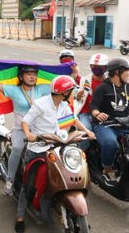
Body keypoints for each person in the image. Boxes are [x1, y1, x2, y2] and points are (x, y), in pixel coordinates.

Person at [15, 75, 94, 233]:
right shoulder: (41, 104)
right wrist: (28, 134)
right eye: (71, 90)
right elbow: (25, 122)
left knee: (70, 172)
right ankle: (20, 216)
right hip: (38, 148)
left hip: (58, 147)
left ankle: (69, 207)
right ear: (64, 92)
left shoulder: (64, 106)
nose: (72, 93)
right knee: (29, 183)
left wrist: (86, 131)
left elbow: (73, 120)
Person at [0, 62, 51, 196]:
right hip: (20, 130)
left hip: (40, 129)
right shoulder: (14, 90)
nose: (32, 77)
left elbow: (60, 88)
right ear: (21, 76)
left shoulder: (42, 89)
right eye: (29, 74)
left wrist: (73, 73)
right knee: (17, 149)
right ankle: (10, 179)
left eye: (34, 74)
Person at [90, 57, 129, 185]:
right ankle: (107, 169)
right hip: (105, 125)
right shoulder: (102, 88)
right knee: (110, 143)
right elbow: (93, 107)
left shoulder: (127, 87)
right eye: (126, 70)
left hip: (124, 124)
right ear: (117, 72)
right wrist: (98, 113)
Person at [73, 53, 108, 150]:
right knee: (86, 133)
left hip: (101, 113)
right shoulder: (86, 80)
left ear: (105, 67)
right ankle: (79, 155)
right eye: (94, 66)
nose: (96, 68)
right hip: (86, 113)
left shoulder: (108, 82)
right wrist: (78, 96)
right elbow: (79, 96)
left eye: (99, 67)